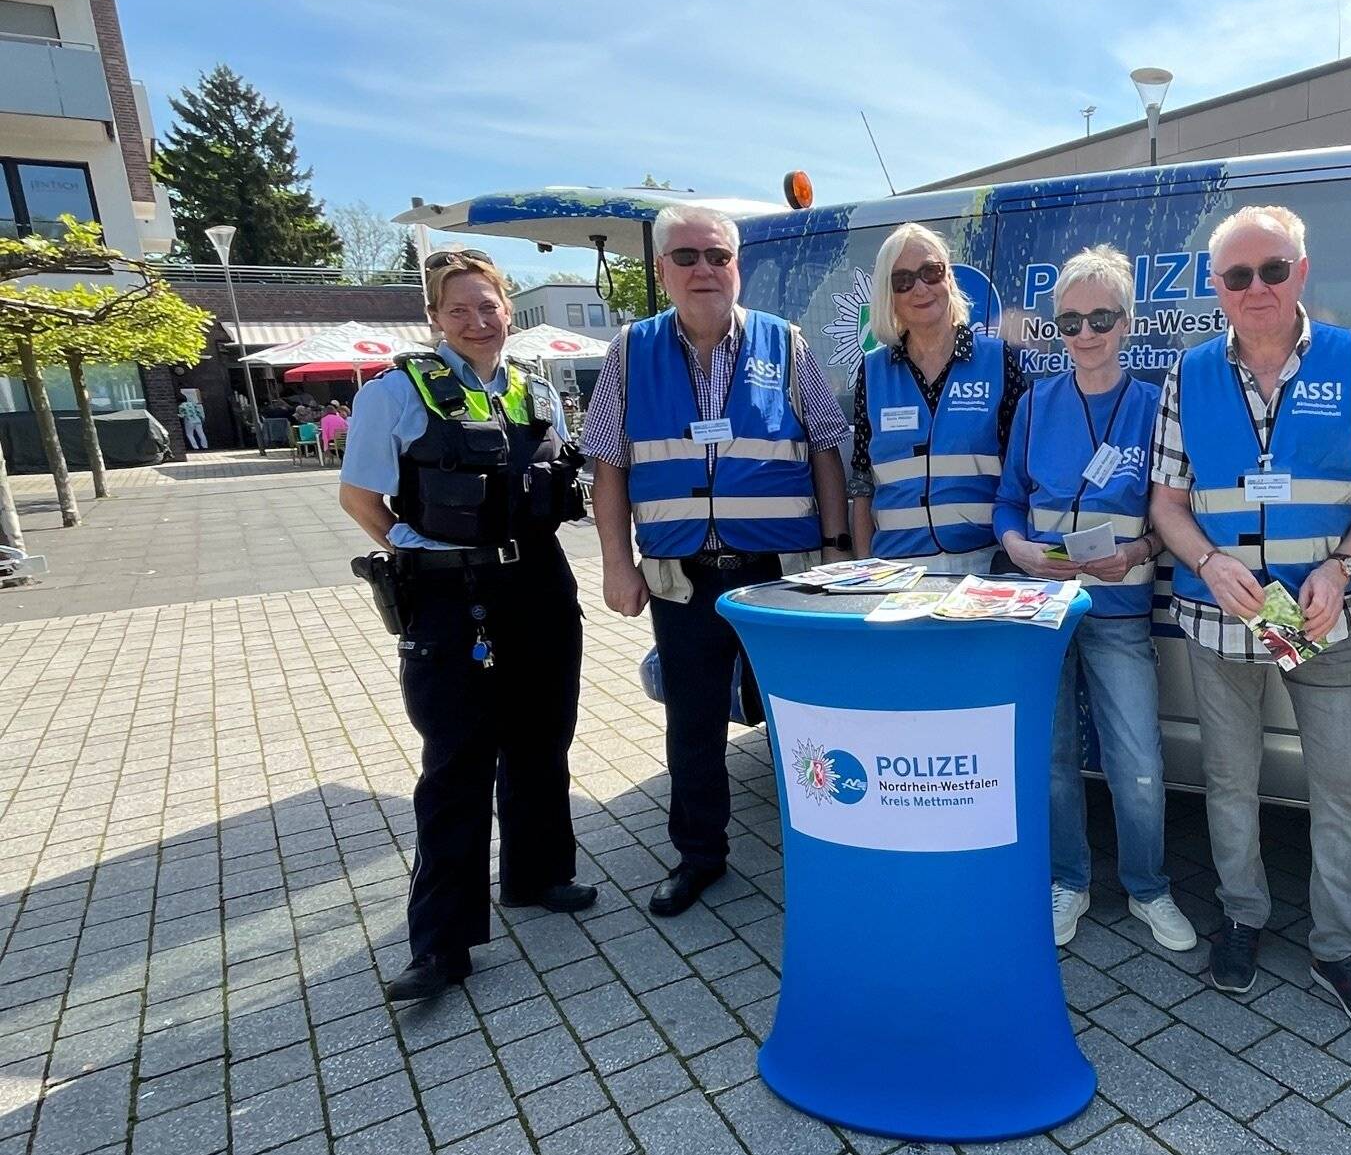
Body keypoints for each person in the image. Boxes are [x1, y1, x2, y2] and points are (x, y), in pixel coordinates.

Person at [1147, 205, 1351, 1033]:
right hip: (1220, 620)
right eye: (1236, 275)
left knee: (1342, 790)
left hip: (1321, 618)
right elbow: (1167, 500)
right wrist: (1207, 560)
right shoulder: (1188, 374)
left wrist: (1343, 565)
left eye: (1271, 269)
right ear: (1217, 289)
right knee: (1229, 782)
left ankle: (1338, 948)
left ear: (1301, 271)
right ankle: (1243, 917)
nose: (1254, 288)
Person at [337, 248, 594, 1002]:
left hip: (540, 584)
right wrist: (419, 554)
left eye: (489, 305)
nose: (478, 321)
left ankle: (539, 874)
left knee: (543, 738)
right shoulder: (396, 393)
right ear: (434, 317)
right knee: (455, 764)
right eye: (460, 309)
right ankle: (441, 945)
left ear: (509, 309)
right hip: (455, 596)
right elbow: (360, 498)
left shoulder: (536, 389)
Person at [585, 204, 852, 919]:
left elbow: (826, 444)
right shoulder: (627, 352)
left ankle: (829, 843)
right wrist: (616, 561)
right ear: (663, 271)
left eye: (717, 255)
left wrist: (834, 552)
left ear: (737, 265)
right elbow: (607, 463)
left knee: (805, 715)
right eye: (686, 256)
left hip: (780, 571)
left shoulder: (785, 343)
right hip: (682, 575)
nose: (704, 268)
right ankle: (700, 855)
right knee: (694, 723)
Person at [994, 245, 1193, 954]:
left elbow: (1175, 514)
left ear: (1127, 321)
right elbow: (1010, 501)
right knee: (1052, 760)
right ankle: (1070, 881)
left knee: (1137, 761)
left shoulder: (1154, 404)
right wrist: (1015, 546)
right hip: (1042, 607)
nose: (1085, 333)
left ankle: (1148, 887)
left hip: (1120, 610)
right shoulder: (1037, 403)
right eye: (1070, 321)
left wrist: (1138, 552)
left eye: (1100, 317)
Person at [849, 222, 1024, 573]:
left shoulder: (997, 360)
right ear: (889, 296)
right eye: (903, 280)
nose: (920, 288)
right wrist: (864, 569)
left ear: (949, 278)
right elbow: (862, 484)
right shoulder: (872, 373)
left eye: (930, 272)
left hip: (983, 566)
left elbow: (1021, 476)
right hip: (893, 572)